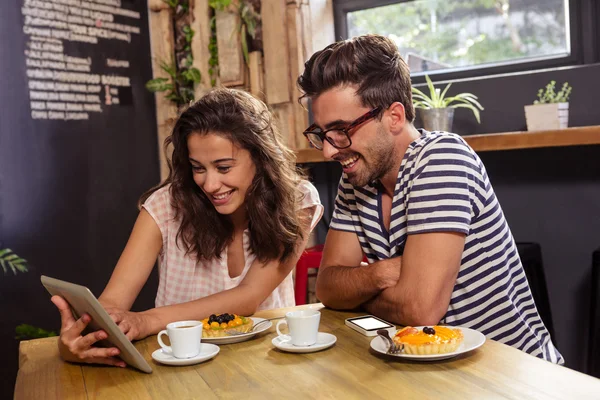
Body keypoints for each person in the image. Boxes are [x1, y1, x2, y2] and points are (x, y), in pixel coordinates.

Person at [297, 34, 563, 364]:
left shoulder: (441, 158)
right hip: (431, 375)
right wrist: (382, 275)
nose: (328, 149)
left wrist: (362, 293)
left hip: (510, 378)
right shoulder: (357, 178)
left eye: (341, 130)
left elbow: (419, 309)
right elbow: (327, 288)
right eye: (323, 134)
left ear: (393, 117)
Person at [51, 88, 323, 367]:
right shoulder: (165, 206)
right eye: (198, 168)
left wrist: (146, 320)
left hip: (266, 366)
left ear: (260, 158)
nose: (210, 184)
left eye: (224, 167)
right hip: (182, 368)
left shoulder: (297, 201)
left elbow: (249, 296)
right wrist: (84, 337)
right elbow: (112, 304)